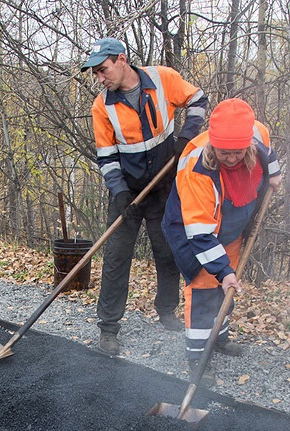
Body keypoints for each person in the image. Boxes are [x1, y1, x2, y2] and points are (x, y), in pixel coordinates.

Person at [82, 38, 208, 355]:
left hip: (164, 185)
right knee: (116, 257)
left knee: (167, 252)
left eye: (103, 69)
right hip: (127, 190)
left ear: (122, 59)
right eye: (96, 73)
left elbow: (198, 99)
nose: (100, 78)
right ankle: (108, 327)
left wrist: (188, 135)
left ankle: (166, 310)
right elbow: (107, 157)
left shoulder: (163, 79)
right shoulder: (103, 106)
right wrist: (120, 192)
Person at [162, 98, 282, 383]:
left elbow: (269, 153)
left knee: (224, 287)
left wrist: (275, 175)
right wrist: (223, 270)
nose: (230, 158)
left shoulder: (257, 136)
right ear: (212, 143)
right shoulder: (196, 168)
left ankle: (219, 337)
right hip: (195, 230)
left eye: (237, 152)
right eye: (223, 152)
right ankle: (197, 358)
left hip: (232, 226)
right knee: (205, 286)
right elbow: (201, 234)